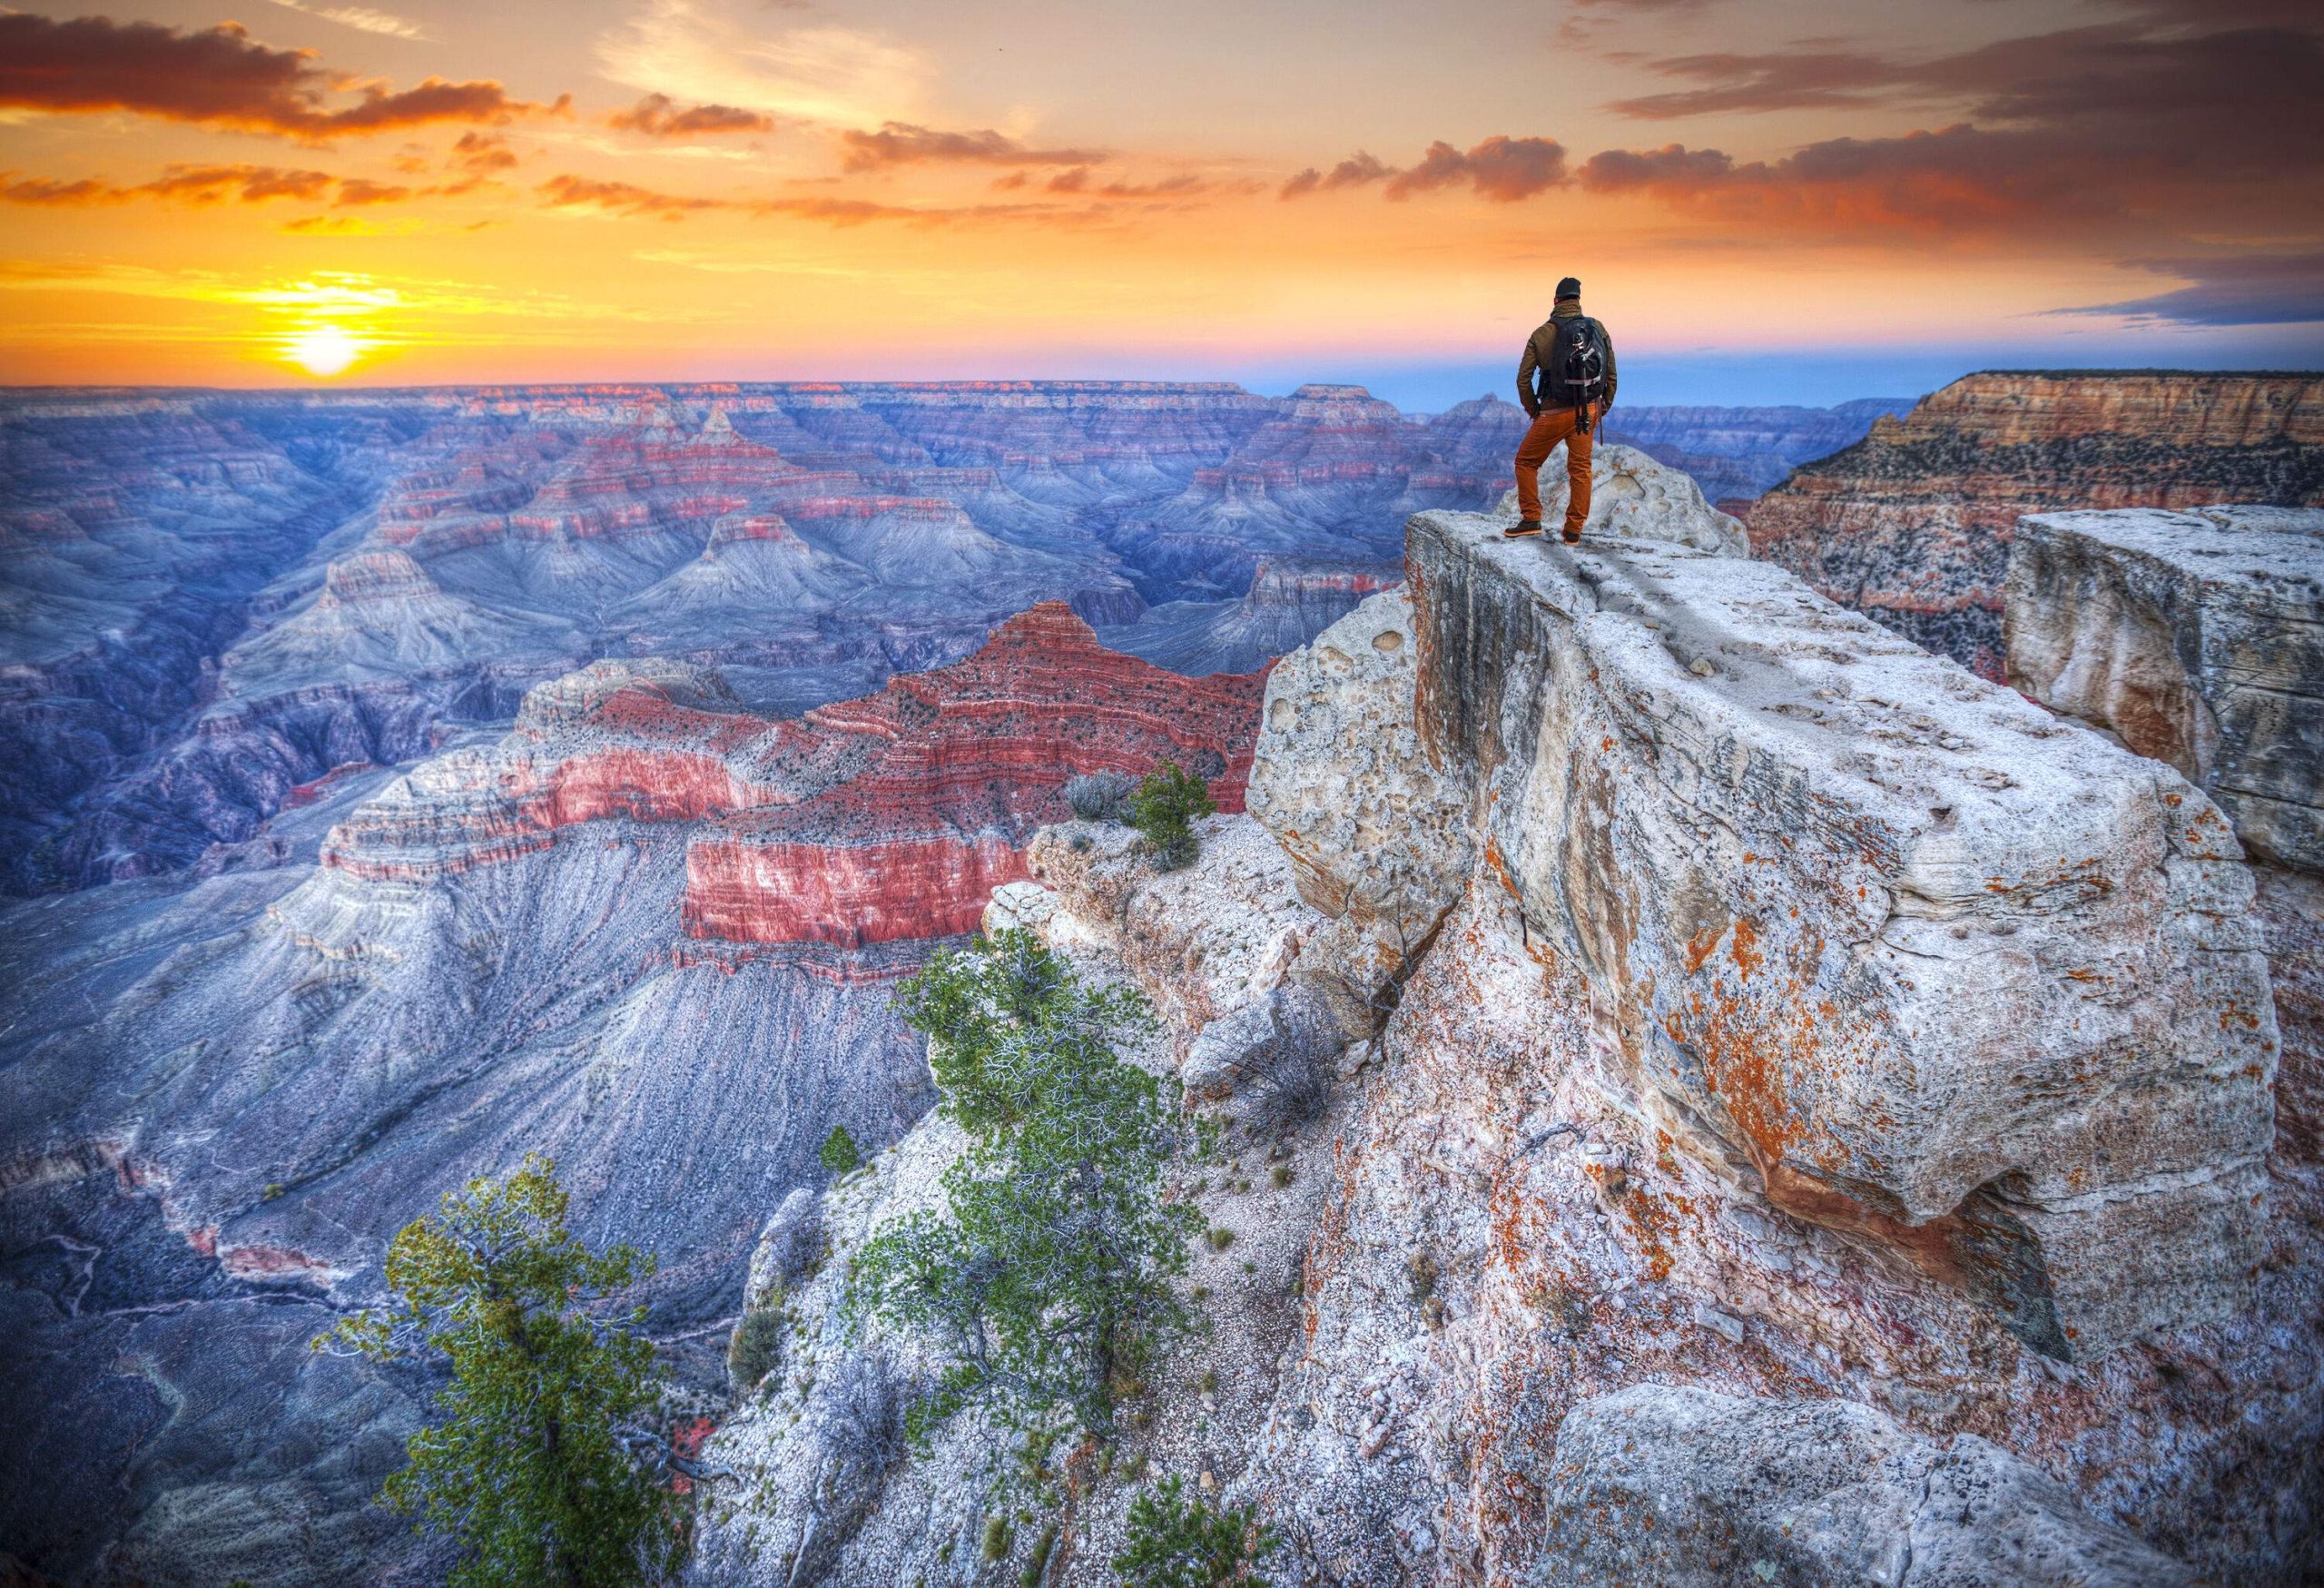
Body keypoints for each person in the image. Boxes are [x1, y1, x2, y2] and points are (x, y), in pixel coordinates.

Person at [1508, 276, 1618, 543]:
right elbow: (1611, 373)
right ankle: (1573, 531)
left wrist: (1535, 411)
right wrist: (1602, 406)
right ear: (1578, 300)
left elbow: (1523, 379)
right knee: (1580, 469)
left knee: (1526, 462)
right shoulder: (1597, 328)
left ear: (1556, 301)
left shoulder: (1541, 334)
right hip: (1587, 410)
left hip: (1553, 412)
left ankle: (1531, 518)